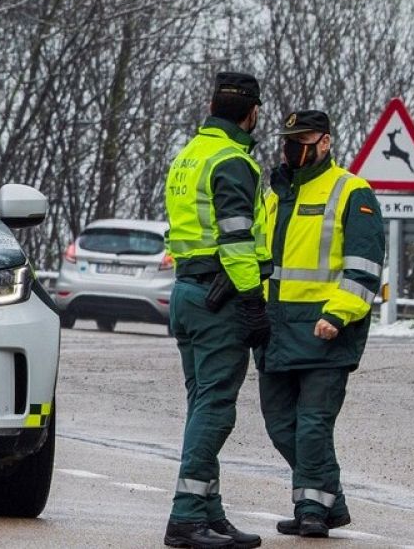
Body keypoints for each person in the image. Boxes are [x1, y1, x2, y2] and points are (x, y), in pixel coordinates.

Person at [256, 110, 383, 538]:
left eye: (303, 139)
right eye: (289, 139)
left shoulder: (352, 191)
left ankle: (312, 509)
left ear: (325, 142)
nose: (293, 147)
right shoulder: (272, 194)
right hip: (274, 330)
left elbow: (364, 268)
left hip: (325, 331)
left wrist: (336, 314)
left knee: (312, 425)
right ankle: (333, 500)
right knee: (280, 425)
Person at [162, 72, 271, 549]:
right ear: (251, 113)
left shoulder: (188, 156)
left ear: (212, 105)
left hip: (188, 292)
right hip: (218, 297)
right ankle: (186, 519)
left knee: (201, 406)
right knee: (215, 410)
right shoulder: (233, 161)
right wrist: (251, 302)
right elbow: (237, 240)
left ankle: (210, 512)